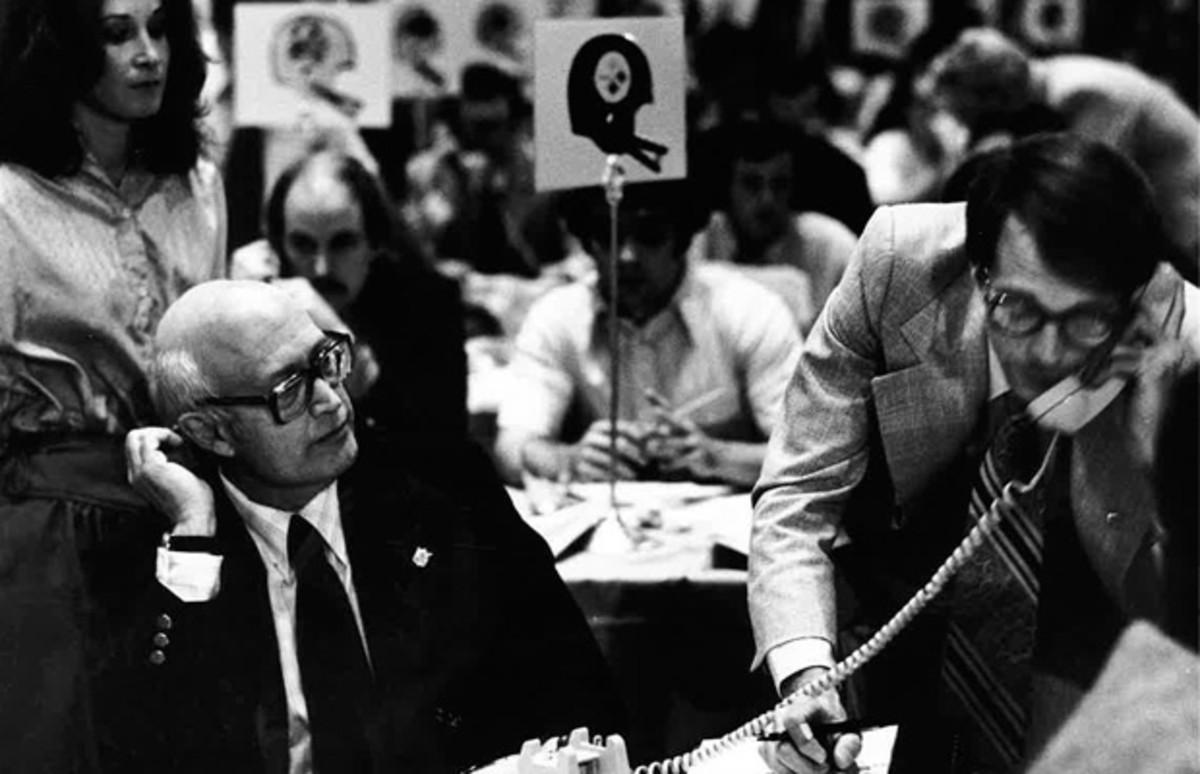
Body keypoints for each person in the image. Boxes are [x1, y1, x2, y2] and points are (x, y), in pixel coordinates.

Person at [748, 134, 1199, 773]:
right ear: (979, 271)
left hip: (1083, 657)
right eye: (1019, 309)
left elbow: (1173, 616)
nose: (1047, 353)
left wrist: (1113, 421)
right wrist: (805, 673)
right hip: (891, 617)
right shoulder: (895, 264)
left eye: (1084, 318)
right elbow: (800, 491)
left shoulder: (1181, 349)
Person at [102, 279, 623, 772]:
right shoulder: (164, 547)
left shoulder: (447, 489)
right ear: (212, 433)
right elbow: (148, 750)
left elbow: (578, 696)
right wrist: (194, 532)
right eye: (289, 390)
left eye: (326, 361)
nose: (330, 400)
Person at [0, 0, 225, 770]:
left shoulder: (197, 182)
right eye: (118, 32)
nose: (148, 53)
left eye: (161, 28)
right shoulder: (8, 195)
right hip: (54, 518)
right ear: (60, 47)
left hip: (192, 503)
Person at [494, 181, 801, 490]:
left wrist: (717, 456)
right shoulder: (557, 316)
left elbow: (808, 454)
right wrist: (568, 459)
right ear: (586, 242)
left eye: (649, 235)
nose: (627, 256)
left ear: (682, 239)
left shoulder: (749, 311)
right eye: (607, 235)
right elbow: (511, 446)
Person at [230, 149, 468, 480]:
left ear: (375, 240)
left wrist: (350, 358)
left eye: (342, 243)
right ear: (279, 245)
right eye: (303, 244)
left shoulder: (429, 301)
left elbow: (443, 449)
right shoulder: (266, 301)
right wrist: (233, 307)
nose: (321, 267)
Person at [919, 26, 1200, 279]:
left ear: (995, 98)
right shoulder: (1052, 83)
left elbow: (1089, 191)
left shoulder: (1082, 94)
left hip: (1184, 204)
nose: (972, 128)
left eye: (971, 116)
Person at [688, 119, 857, 334]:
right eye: (751, 184)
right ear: (728, 189)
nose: (767, 199)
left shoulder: (831, 247)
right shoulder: (696, 239)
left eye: (779, 185)